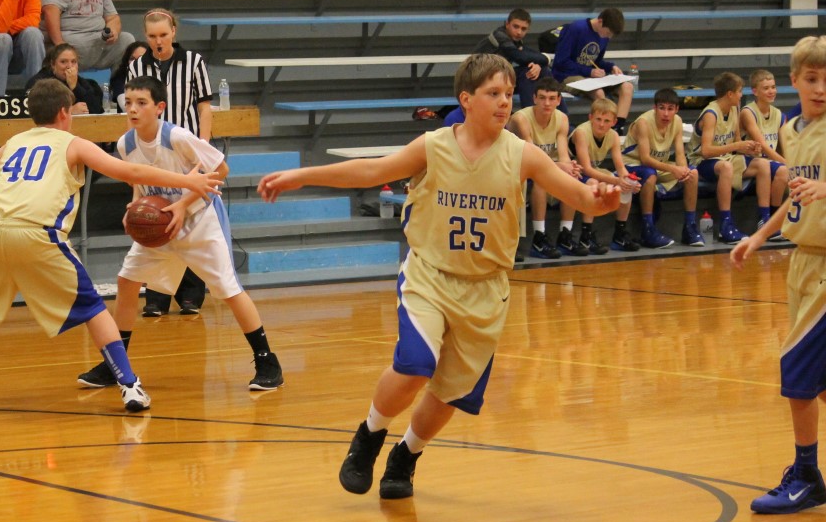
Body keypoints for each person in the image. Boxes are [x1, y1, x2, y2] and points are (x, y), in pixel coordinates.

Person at [257, 53, 620, 499]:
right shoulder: (433, 145)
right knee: (414, 365)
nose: (504, 102)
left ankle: (406, 455)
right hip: (430, 275)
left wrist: (604, 201)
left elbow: (582, 198)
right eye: (493, 93)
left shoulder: (522, 154)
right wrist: (302, 175)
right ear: (466, 99)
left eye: (509, 93)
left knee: (450, 392)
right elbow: (372, 170)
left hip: (485, 287)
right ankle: (369, 435)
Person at [0, 78, 223, 413]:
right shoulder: (72, 144)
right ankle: (129, 385)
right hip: (36, 233)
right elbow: (130, 170)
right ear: (64, 112)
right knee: (94, 308)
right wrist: (186, 180)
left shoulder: (14, 142)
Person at [76, 76, 285, 393]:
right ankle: (114, 364)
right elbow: (139, 182)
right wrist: (134, 207)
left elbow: (220, 170)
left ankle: (267, 361)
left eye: (141, 103)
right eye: (128, 102)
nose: (132, 109)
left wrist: (183, 205)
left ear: (159, 107)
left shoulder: (178, 137)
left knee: (227, 290)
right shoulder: (125, 144)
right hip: (160, 224)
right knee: (127, 281)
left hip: (199, 219)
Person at [731, 34, 826, 514]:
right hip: (803, 260)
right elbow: (797, 195)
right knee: (821, 381)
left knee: (797, 367)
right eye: (812, 78)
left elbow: (818, 188)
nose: (821, 88)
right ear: (795, 81)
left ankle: (806, 474)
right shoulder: (791, 130)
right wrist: (760, 235)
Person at [127, 8, 214, 315]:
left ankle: (191, 295)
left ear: (174, 31)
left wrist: (203, 148)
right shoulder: (137, 65)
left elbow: (204, 108)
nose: (158, 41)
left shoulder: (194, 61)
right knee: (156, 218)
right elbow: (133, 110)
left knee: (189, 220)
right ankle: (157, 296)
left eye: (163, 34)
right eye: (152, 36)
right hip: (152, 151)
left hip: (186, 151)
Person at [686, 71, 775, 243]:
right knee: (726, 168)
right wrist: (736, 146)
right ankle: (726, 225)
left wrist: (749, 148)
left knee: (763, 164)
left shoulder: (734, 108)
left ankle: (765, 220)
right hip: (702, 161)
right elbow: (706, 151)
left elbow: (736, 142)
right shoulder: (711, 114)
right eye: (739, 91)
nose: (741, 95)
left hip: (725, 157)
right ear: (730, 94)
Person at [506, 77, 582, 259]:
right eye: (542, 98)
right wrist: (561, 166)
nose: (547, 103)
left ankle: (565, 234)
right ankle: (538, 237)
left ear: (559, 100)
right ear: (534, 98)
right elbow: (533, 158)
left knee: (571, 176)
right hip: (518, 165)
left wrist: (569, 167)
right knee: (541, 180)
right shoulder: (521, 119)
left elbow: (563, 153)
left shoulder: (562, 119)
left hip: (546, 165)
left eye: (551, 98)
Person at [622, 88, 704, 248]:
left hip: (658, 165)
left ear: (677, 109)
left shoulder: (677, 121)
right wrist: (673, 169)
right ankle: (648, 229)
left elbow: (680, 153)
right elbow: (645, 159)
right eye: (662, 108)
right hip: (633, 165)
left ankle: (690, 228)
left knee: (692, 174)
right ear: (654, 108)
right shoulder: (643, 123)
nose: (666, 114)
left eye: (670, 109)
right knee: (650, 174)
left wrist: (683, 170)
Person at [570, 98, 642, 254]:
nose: (601, 124)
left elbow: (620, 166)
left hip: (595, 171)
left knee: (626, 186)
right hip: (575, 171)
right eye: (598, 119)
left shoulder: (613, 135)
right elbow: (586, 169)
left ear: (614, 122)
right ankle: (585, 236)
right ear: (590, 117)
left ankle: (620, 234)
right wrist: (617, 180)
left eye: (606, 121)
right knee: (594, 185)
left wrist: (629, 181)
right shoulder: (581, 133)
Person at [552, 7, 634, 132]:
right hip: (566, 75)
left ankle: (617, 127)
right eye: (608, 33)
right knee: (599, 93)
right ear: (600, 21)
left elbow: (596, 61)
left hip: (588, 76)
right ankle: (601, 130)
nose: (608, 37)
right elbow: (561, 61)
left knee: (627, 87)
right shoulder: (576, 29)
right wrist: (589, 71)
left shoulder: (603, 36)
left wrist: (611, 66)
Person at [740, 68, 791, 233]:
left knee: (784, 171)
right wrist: (788, 163)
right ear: (755, 91)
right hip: (747, 160)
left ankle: (774, 219)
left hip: (769, 161)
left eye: (773, 87)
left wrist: (793, 162)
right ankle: (765, 219)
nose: (771, 91)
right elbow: (763, 146)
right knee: (781, 168)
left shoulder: (779, 115)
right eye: (766, 88)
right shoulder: (748, 112)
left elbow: (787, 145)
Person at [474, 8, 551, 108]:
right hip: (481, 80)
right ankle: (529, 114)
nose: (519, 32)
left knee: (543, 70)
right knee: (527, 74)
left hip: (500, 77)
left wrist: (538, 65)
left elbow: (527, 54)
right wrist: (546, 59)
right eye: (516, 26)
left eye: (523, 29)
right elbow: (520, 57)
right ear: (507, 24)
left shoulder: (515, 40)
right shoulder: (500, 36)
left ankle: (562, 114)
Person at [25, 43, 103, 115]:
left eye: (73, 62)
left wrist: (75, 87)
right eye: (63, 62)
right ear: (53, 64)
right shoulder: (38, 83)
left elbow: (97, 110)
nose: (69, 66)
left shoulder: (85, 83)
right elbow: (38, 111)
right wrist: (69, 111)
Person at [109, 40, 148, 111]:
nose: (136, 62)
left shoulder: (157, 77)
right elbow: (126, 107)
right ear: (127, 61)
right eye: (132, 59)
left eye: (141, 58)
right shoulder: (120, 78)